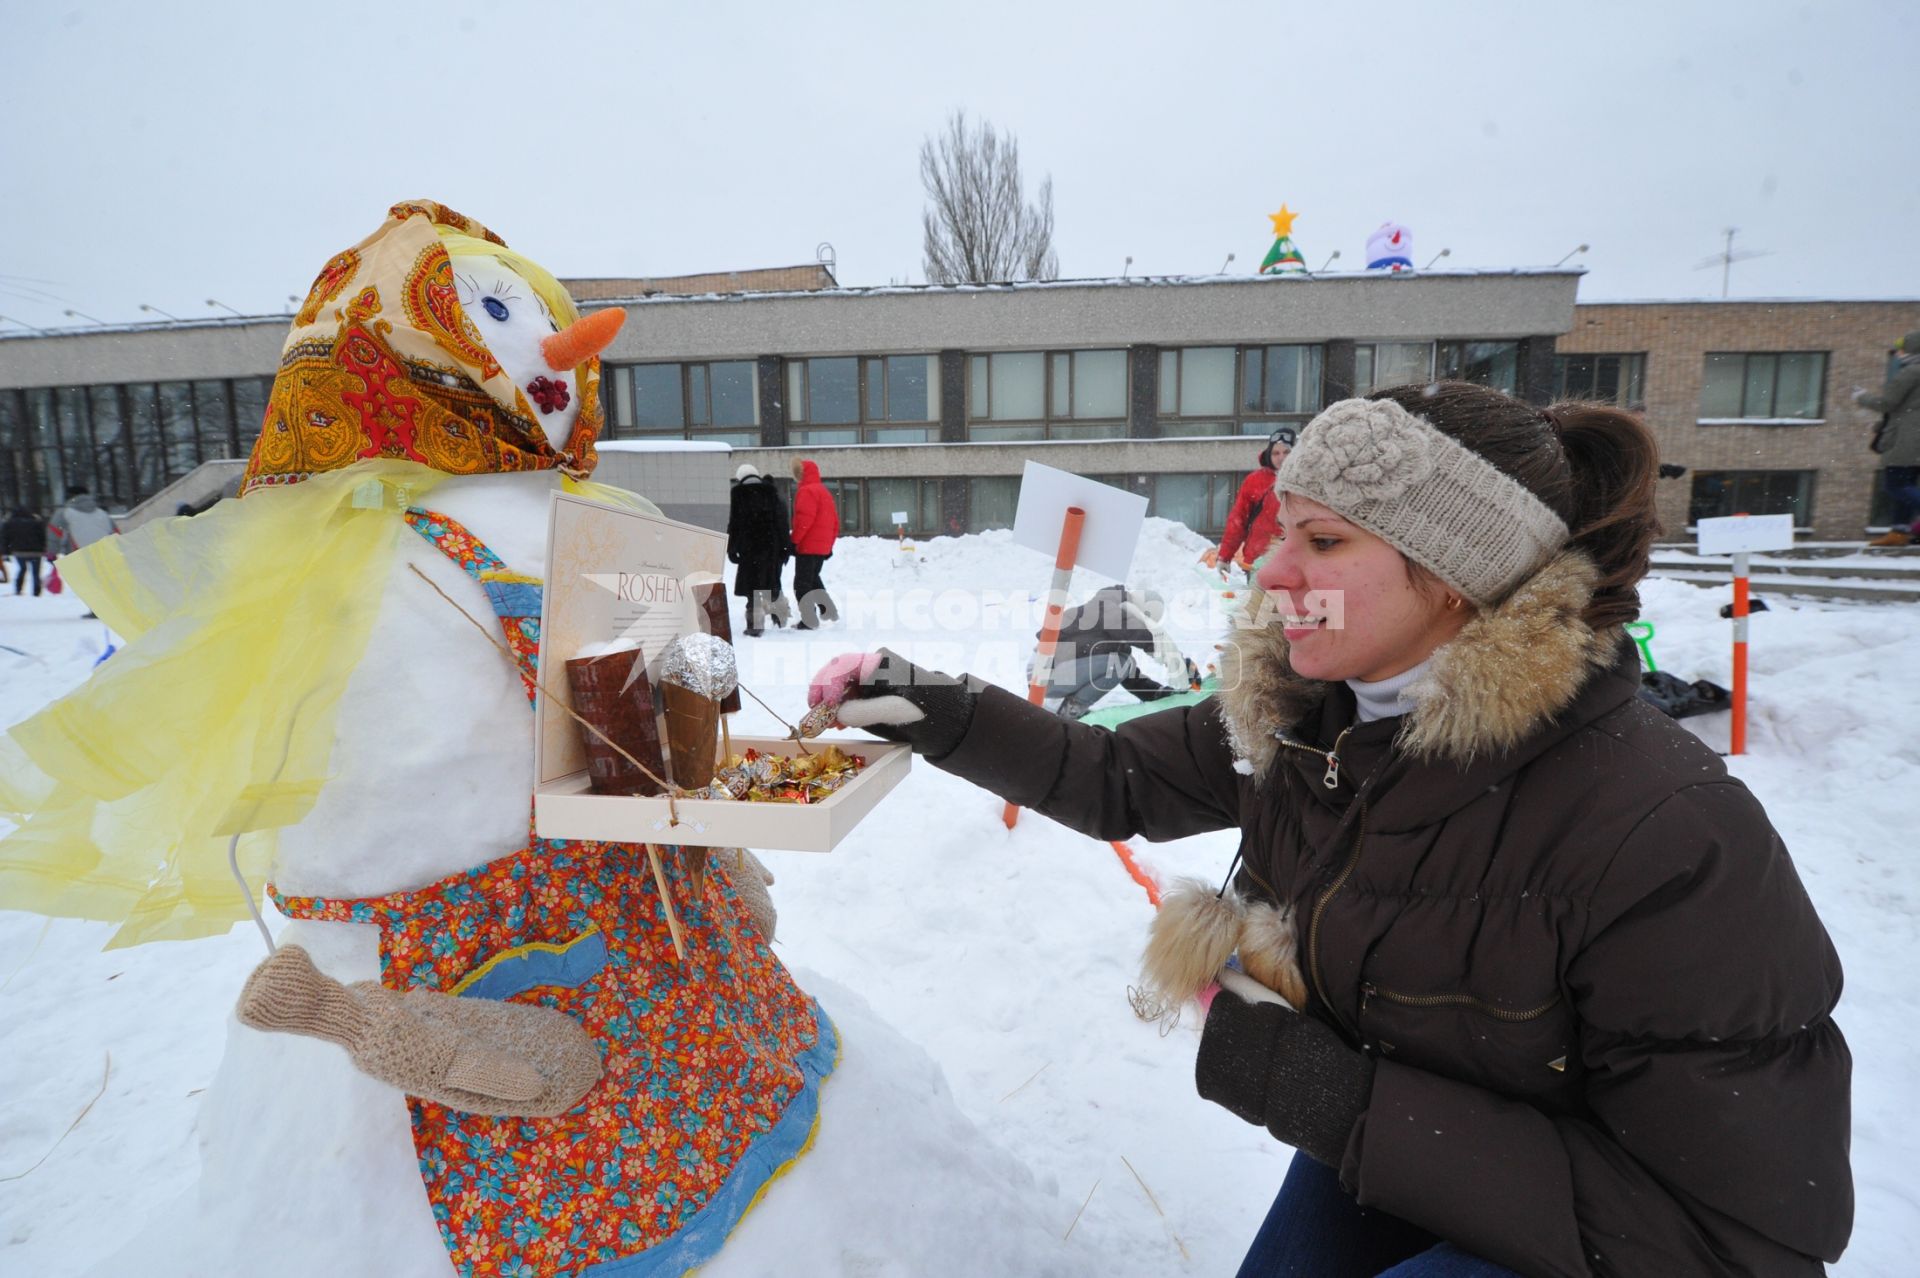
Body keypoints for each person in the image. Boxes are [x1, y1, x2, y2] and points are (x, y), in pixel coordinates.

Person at [810, 382, 1852, 1276]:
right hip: (1398, 1144)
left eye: (1322, 541)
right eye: (1279, 535)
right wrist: (929, 704)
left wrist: (1336, 1098)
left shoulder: (1661, 835)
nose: (1270, 572)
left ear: (1454, 573)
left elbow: (1736, 1239)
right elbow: (1115, 774)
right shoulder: (1314, 724)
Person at [1035, 585, 1199, 720]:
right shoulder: (1106, 603)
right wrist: (1171, 657)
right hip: (1043, 670)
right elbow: (1128, 629)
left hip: (1054, 673)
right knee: (1121, 663)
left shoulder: (1115, 640)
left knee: (1123, 663)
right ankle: (1069, 711)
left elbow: (1131, 677)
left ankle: (1067, 709)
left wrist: (1162, 693)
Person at [1859, 329, 1920, 546]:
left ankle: (1900, 531)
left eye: (1901, 349)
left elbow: (1888, 403)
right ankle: (1899, 532)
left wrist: (1862, 397)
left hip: (1906, 440)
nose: (1897, 354)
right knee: (1906, 484)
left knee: (1895, 485)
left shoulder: (1911, 372)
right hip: (1911, 437)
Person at [1208, 426, 1295, 578]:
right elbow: (1238, 521)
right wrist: (1225, 556)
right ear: (1269, 455)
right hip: (1259, 561)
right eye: (1276, 453)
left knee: (1293, 602)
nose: (1281, 457)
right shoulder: (1255, 481)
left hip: (1297, 562)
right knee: (1261, 602)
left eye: (1286, 452)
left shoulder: (1307, 480)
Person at [726, 462, 793, 636]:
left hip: (749, 550)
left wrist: (732, 548)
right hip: (770, 548)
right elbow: (781, 521)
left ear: (741, 478)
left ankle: (755, 626)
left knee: (752, 589)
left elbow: (734, 524)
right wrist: (785, 546)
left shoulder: (738, 494)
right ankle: (780, 616)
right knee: (771, 584)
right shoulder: (771, 492)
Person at [788, 457, 840, 629]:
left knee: (801, 583)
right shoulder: (823, 491)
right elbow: (835, 522)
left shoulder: (807, 492)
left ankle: (809, 620)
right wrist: (829, 546)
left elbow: (804, 520)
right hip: (821, 546)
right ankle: (828, 610)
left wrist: (794, 541)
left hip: (808, 545)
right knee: (813, 579)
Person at [46, 486, 117, 556]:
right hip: (106, 556)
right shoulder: (103, 513)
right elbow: (116, 536)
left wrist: (52, 555)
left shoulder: (62, 513)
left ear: (68, 497)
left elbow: (54, 537)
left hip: (78, 558)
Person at [4, 508, 46, 595]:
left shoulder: (11, 523)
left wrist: (6, 550)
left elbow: (6, 537)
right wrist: (43, 548)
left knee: (22, 569)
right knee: (36, 572)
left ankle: (18, 589)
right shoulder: (36, 522)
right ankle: (36, 591)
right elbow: (42, 536)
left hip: (19, 551)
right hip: (35, 552)